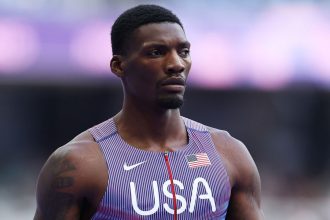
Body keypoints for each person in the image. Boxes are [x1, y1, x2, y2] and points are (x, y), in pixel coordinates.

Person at [34, 4, 263, 220]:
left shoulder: (229, 153)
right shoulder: (78, 163)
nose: (176, 64)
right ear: (118, 66)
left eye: (183, 51)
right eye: (156, 52)